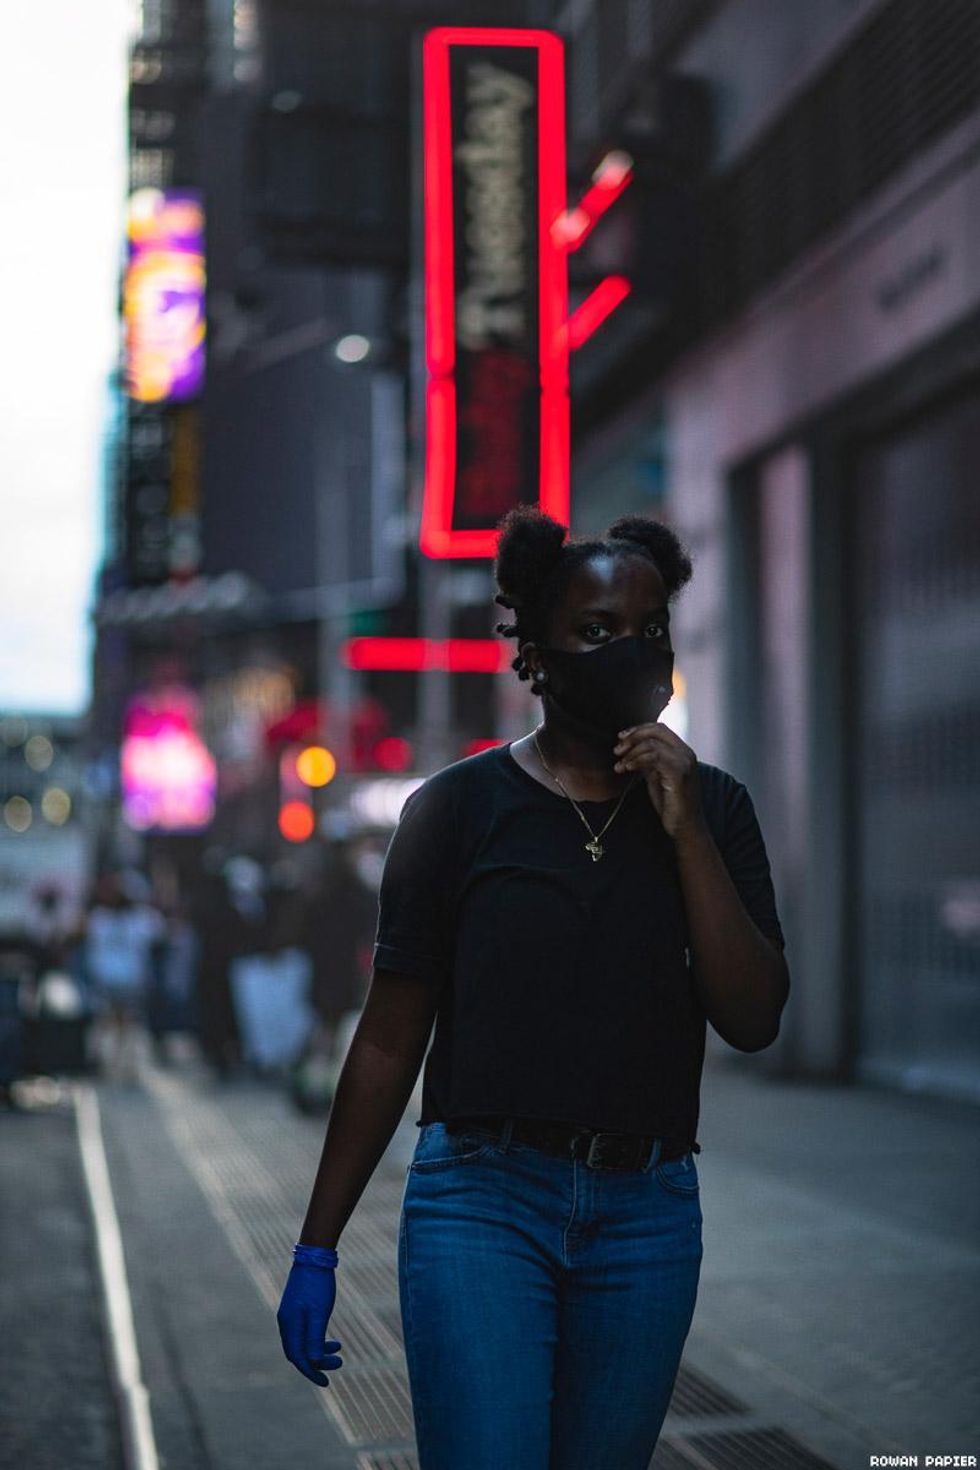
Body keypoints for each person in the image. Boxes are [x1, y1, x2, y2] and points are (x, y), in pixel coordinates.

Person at [276, 507, 790, 1469]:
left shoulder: (715, 807)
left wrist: (684, 830)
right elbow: (390, 1037)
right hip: (483, 1201)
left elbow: (754, 1016)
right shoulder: (456, 810)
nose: (629, 651)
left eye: (650, 629)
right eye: (596, 632)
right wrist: (317, 1246)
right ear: (536, 656)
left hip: (647, 1214)